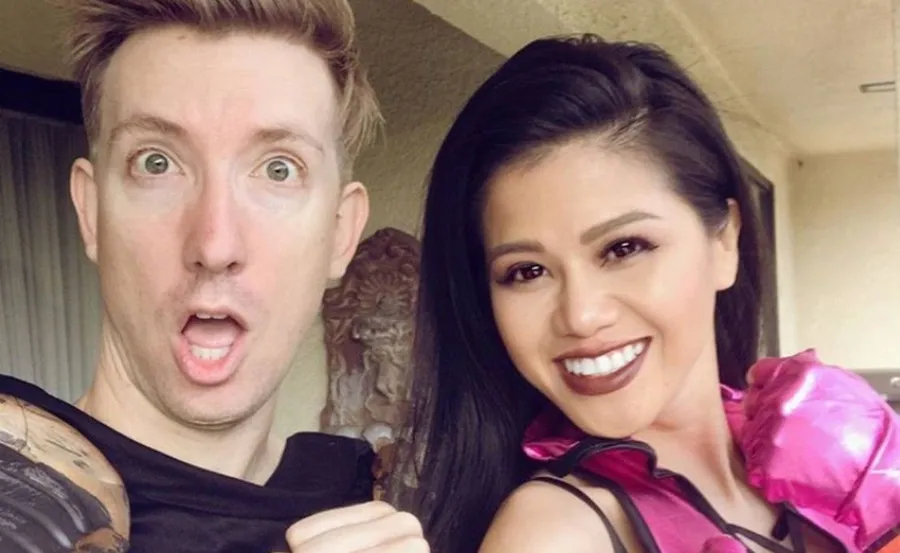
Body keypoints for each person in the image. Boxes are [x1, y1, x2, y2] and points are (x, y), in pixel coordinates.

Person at [405, 34, 900, 553]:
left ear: (724, 241)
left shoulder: (827, 449)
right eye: (527, 271)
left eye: (624, 248)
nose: (581, 315)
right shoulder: (556, 535)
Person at [0, 1, 428, 552]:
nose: (215, 244)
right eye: (156, 163)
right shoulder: (17, 490)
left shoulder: (375, 496)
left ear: (341, 232)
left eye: (279, 169)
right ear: (91, 211)